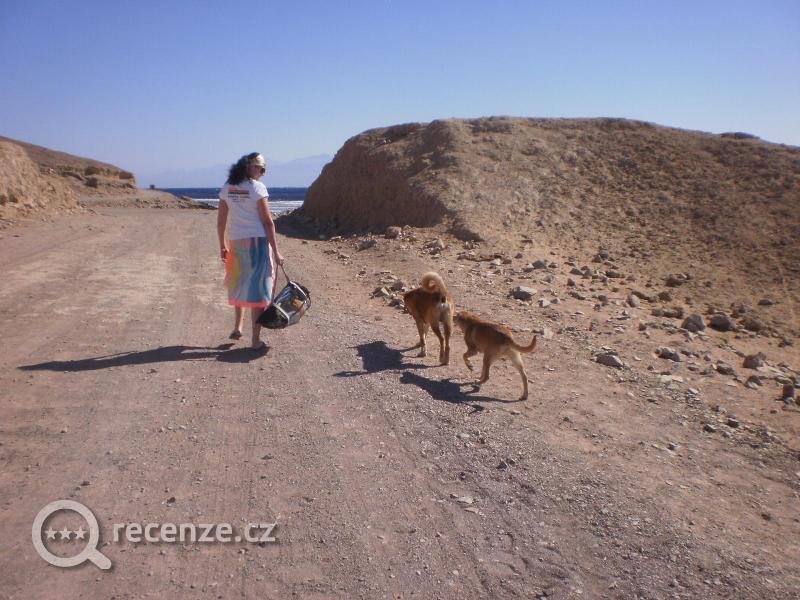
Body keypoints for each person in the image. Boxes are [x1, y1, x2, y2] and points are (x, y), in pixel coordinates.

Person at [217, 152, 284, 350]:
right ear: (250, 167)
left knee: (240, 283)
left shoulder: (228, 187)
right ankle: (255, 340)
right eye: (261, 169)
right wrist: (276, 251)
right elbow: (268, 222)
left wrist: (222, 245)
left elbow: (221, 221)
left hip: (237, 242)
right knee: (258, 292)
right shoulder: (257, 188)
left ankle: (238, 327)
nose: (263, 173)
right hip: (257, 244)